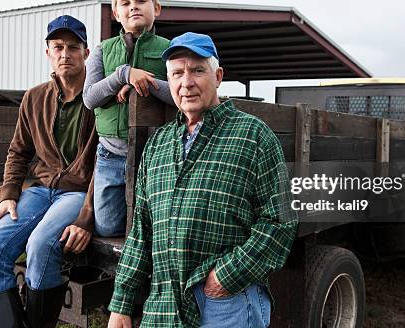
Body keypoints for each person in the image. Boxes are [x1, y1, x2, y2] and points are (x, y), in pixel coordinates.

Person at [107, 32, 298, 327]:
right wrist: (121, 302)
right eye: (177, 73)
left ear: (218, 76)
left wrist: (226, 275)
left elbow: (280, 221)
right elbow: (142, 230)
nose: (186, 83)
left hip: (226, 301)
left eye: (197, 70)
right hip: (164, 307)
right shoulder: (158, 144)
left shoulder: (253, 135)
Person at [0, 15, 99, 328]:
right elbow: (19, 151)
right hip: (41, 191)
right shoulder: (34, 97)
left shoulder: (100, 96)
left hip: (78, 193)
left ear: (86, 52)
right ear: (48, 52)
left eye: (73, 47)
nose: (65, 53)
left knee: (41, 244)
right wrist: (9, 194)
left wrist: (87, 213)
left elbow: (109, 159)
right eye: (58, 47)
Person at [83, 0, 173, 237]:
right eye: (125, 3)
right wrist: (123, 74)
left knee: (153, 226)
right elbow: (90, 98)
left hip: (155, 155)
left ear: (156, 8)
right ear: (115, 13)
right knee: (108, 227)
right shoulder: (102, 50)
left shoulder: (170, 49)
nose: (133, 6)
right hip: (110, 154)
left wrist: (142, 82)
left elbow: (179, 95)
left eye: (141, 0)